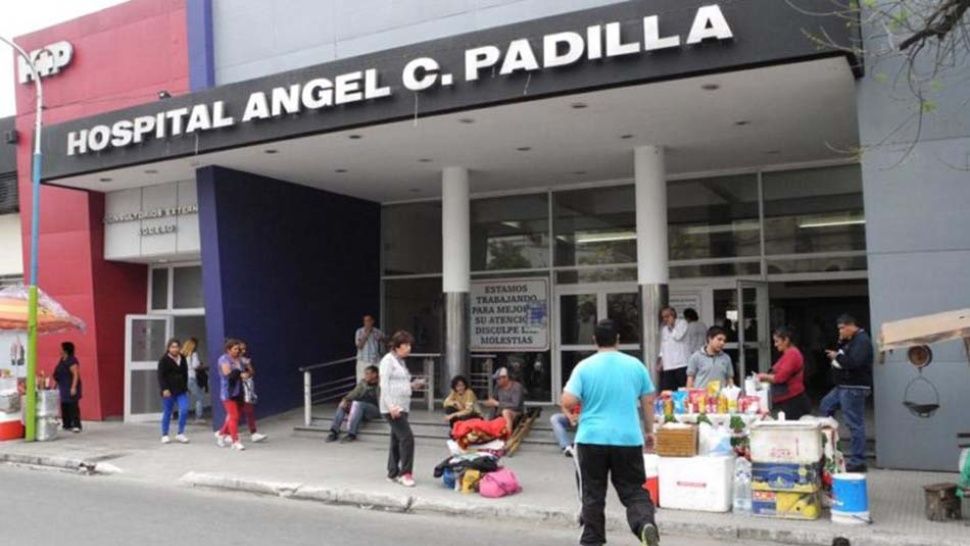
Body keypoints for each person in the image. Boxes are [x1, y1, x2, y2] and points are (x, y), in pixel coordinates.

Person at [561, 319, 659, 546]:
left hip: (591, 438)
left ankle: (593, 539)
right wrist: (649, 431)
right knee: (633, 490)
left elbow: (568, 400)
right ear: (618, 339)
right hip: (628, 439)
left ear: (594, 339)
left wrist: (578, 402)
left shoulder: (584, 367)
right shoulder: (635, 365)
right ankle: (644, 524)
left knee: (593, 493)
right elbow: (648, 401)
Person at [821, 314, 873, 473]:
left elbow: (854, 362)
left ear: (851, 326)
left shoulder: (862, 341)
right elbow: (845, 355)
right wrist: (840, 344)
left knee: (854, 423)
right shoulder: (850, 340)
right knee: (826, 406)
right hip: (843, 385)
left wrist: (837, 356)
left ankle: (858, 461)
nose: (841, 331)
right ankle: (828, 446)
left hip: (854, 387)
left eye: (842, 328)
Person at [379, 330, 425, 487]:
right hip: (393, 407)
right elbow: (384, 385)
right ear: (397, 346)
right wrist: (391, 406)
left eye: (409, 345)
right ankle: (405, 473)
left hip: (403, 405)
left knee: (396, 439)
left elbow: (400, 383)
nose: (409, 348)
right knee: (407, 438)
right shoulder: (388, 361)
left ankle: (392, 472)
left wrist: (413, 384)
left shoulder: (401, 362)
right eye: (406, 345)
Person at [758, 326, 812, 421]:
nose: (775, 345)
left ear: (786, 340)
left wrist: (763, 376)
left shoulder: (792, 354)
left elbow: (780, 377)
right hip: (790, 400)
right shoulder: (788, 354)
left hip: (794, 401)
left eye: (777, 341)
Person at [327, 365, 381, 443]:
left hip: (375, 410)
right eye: (365, 374)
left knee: (359, 404)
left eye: (367, 374)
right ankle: (334, 431)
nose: (365, 376)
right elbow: (354, 393)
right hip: (360, 408)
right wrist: (345, 399)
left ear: (374, 374)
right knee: (343, 405)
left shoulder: (381, 384)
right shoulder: (363, 383)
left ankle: (351, 434)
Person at [157, 338, 191, 444]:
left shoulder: (182, 358)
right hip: (169, 390)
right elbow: (161, 376)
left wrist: (186, 387)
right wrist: (164, 389)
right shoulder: (164, 360)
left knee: (184, 409)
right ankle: (165, 434)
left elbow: (185, 373)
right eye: (172, 347)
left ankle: (180, 433)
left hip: (181, 390)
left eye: (176, 347)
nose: (175, 349)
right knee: (168, 411)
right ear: (168, 348)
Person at [215, 339, 246, 451]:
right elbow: (228, 374)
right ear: (228, 350)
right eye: (235, 349)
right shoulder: (223, 359)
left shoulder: (239, 359)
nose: (237, 351)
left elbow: (245, 371)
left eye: (238, 349)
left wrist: (245, 374)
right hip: (228, 392)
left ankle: (221, 434)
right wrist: (239, 374)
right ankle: (235, 441)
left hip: (239, 391)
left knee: (237, 414)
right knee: (234, 416)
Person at [239, 342, 267, 443]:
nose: (243, 351)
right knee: (234, 413)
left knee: (249, 410)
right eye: (241, 349)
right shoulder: (230, 361)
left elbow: (252, 371)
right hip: (236, 390)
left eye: (244, 349)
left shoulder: (245, 360)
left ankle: (254, 433)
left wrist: (248, 373)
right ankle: (224, 432)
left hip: (247, 388)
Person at [657, 306, 690, 391]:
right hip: (668, 365)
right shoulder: (664, 329)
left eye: (667, 316)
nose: (665, 319)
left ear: (673, 315)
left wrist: (671, 326)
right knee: (668, 391)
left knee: (682, 390)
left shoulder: (682, 323)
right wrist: (660, 361)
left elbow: (678, 336)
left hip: (681, 364)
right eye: (663, 317)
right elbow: (663, 346)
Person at [483, 367, 524, 433]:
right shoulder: (497, 387)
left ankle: (508, 433)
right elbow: (494, 400)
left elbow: (516, 405)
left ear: (506, 378)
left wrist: (497, 403)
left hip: (515, 412)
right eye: (497, 379)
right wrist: (489, 403)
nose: (497, 381)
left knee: (506, 412)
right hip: (500, 412)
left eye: (499, 379)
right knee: (489, 411)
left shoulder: (516, 387)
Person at [53, 341, 82, 433]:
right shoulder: (62, 360)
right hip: (63, 386)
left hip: (70, 386)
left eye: (61, 348)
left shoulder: (72, 360)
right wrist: (54, 385)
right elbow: (58, 374)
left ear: (65, 350)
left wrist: (73, 387)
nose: (59, 350)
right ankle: (67, 424)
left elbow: (76, 375)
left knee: (73, 406)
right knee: (64, 405)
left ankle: (76, 425)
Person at [182, 337, 207, 423]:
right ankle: (198, 417)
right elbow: (195, 366)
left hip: (183, 378)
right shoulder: (193, 354)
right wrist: (203, 366)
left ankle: (183, 416)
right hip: (191, 378)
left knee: (184, 398)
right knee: (199, 397)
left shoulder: (182, 355)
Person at [355, 314, 384, 380]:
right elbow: (359, 346)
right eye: (365, 321)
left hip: (375, 360)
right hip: (363, 361)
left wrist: (381, 338)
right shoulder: (359, 331)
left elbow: (385, 340)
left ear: (372, 321)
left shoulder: (377, 331)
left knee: (377, 380)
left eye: (368, 320)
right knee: (362, 380)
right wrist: (367, 333)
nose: (367, 323)